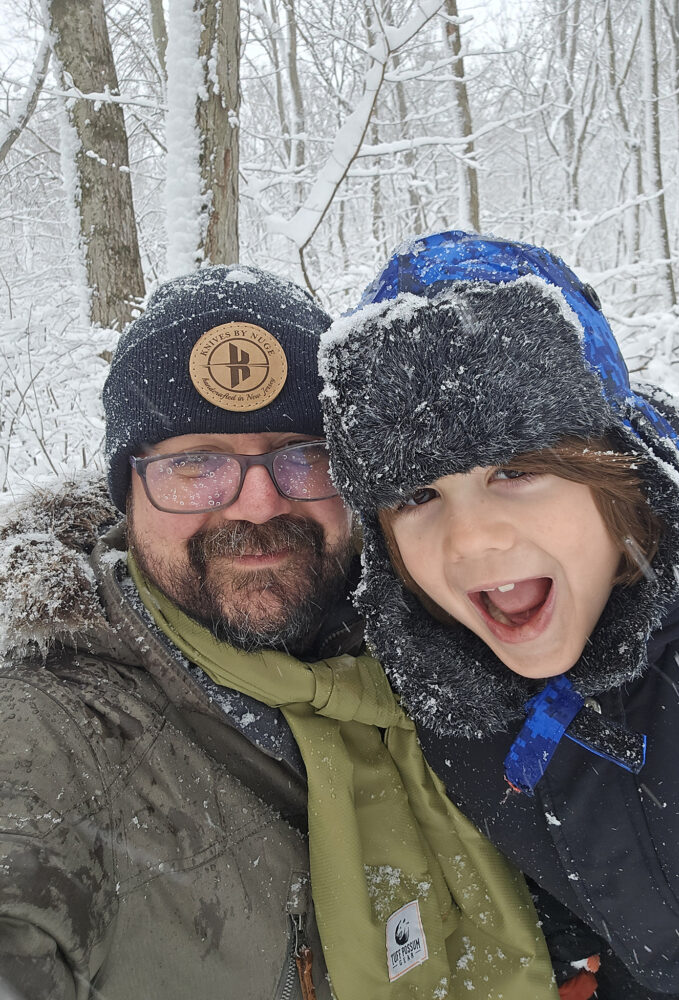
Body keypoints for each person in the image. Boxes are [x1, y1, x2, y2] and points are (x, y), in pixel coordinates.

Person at [0, 264, 555, 1000]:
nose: (257, 505)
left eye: (306, 456)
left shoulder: (458, 655)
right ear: (125, 496)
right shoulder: (49, 735)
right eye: (194, 464)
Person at [318, 229, 679, 1000]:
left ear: (613, 467)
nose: (471, 540)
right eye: (417, 495)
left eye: (516, 469)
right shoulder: (438, 680)